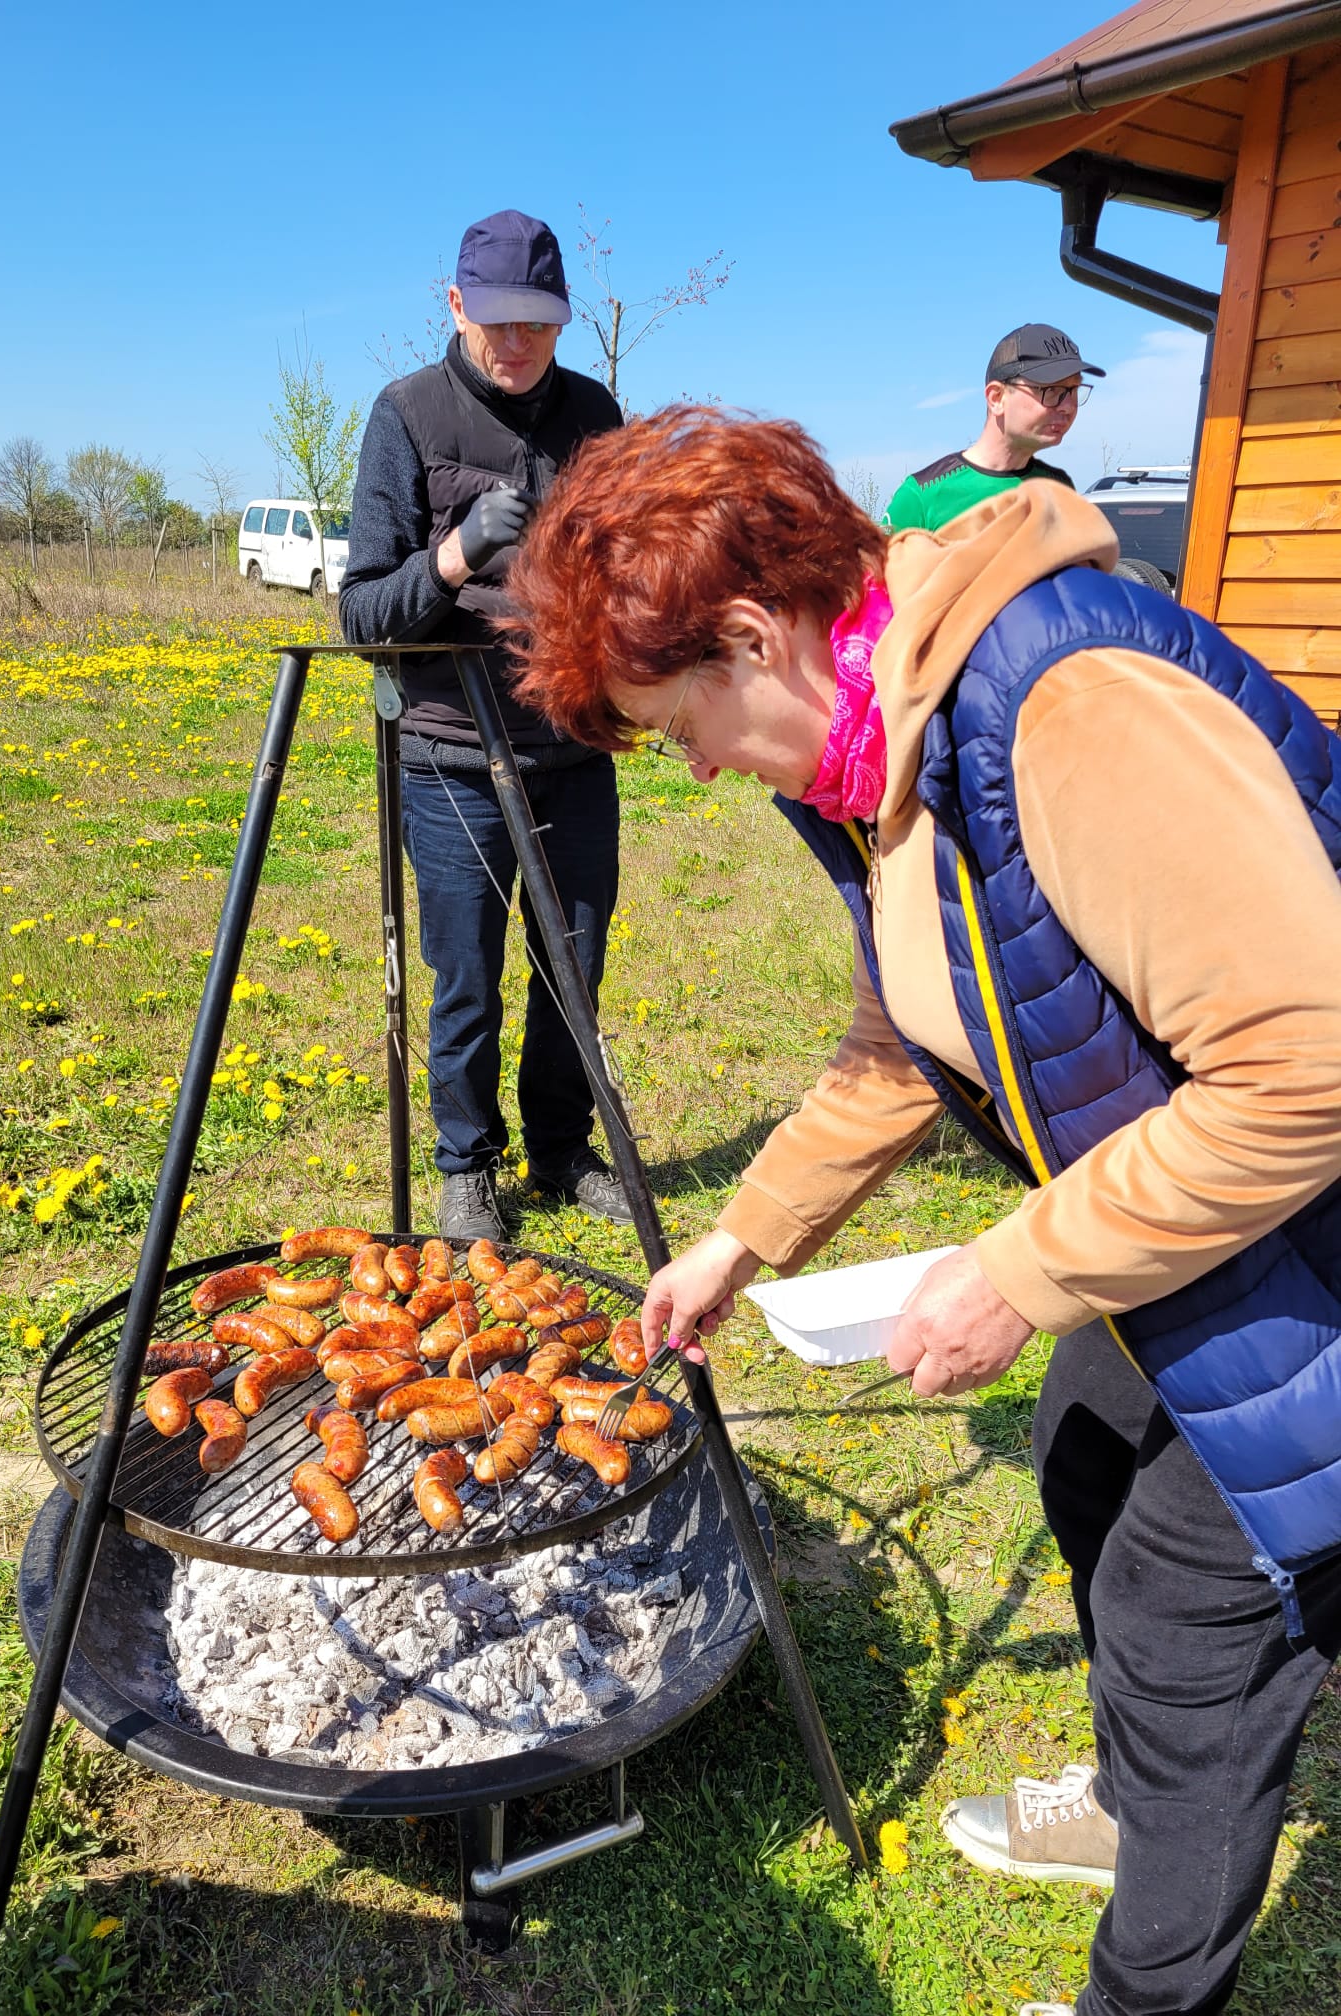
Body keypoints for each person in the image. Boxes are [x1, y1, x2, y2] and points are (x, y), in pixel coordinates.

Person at [503, 404, 1341, 2016]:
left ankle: (1153, 1968)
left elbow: (1307, 1068)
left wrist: (1023, 1271)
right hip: (1218, 1208)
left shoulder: (1066, 708)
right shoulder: (893, 748)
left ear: (754, 636)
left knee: (1187, 1618)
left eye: (679, 723)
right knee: (1080, 1451)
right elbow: (921, 1026)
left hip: (1310, 1211)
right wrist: (744, 1235)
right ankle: (1145, 1808)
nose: (694, 766)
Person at [339, 209, 631, 1242]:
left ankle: (560, 1149)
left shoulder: (594, 414)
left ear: (564, 318)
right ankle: (468, 1166)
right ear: (457, 304)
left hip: (571, 747)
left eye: (538, 324)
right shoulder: (407, 414)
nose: (517, 344)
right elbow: (361, 615)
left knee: (574, 966)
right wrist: (456, 554)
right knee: (467, 974)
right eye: (498, 321)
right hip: (451, 754)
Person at [883, 323, 1100, 532]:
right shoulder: (921, 497)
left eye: (1073, 390)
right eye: (1052, 390)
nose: (1068, 406)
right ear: (997, 398)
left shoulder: (1059, 491)